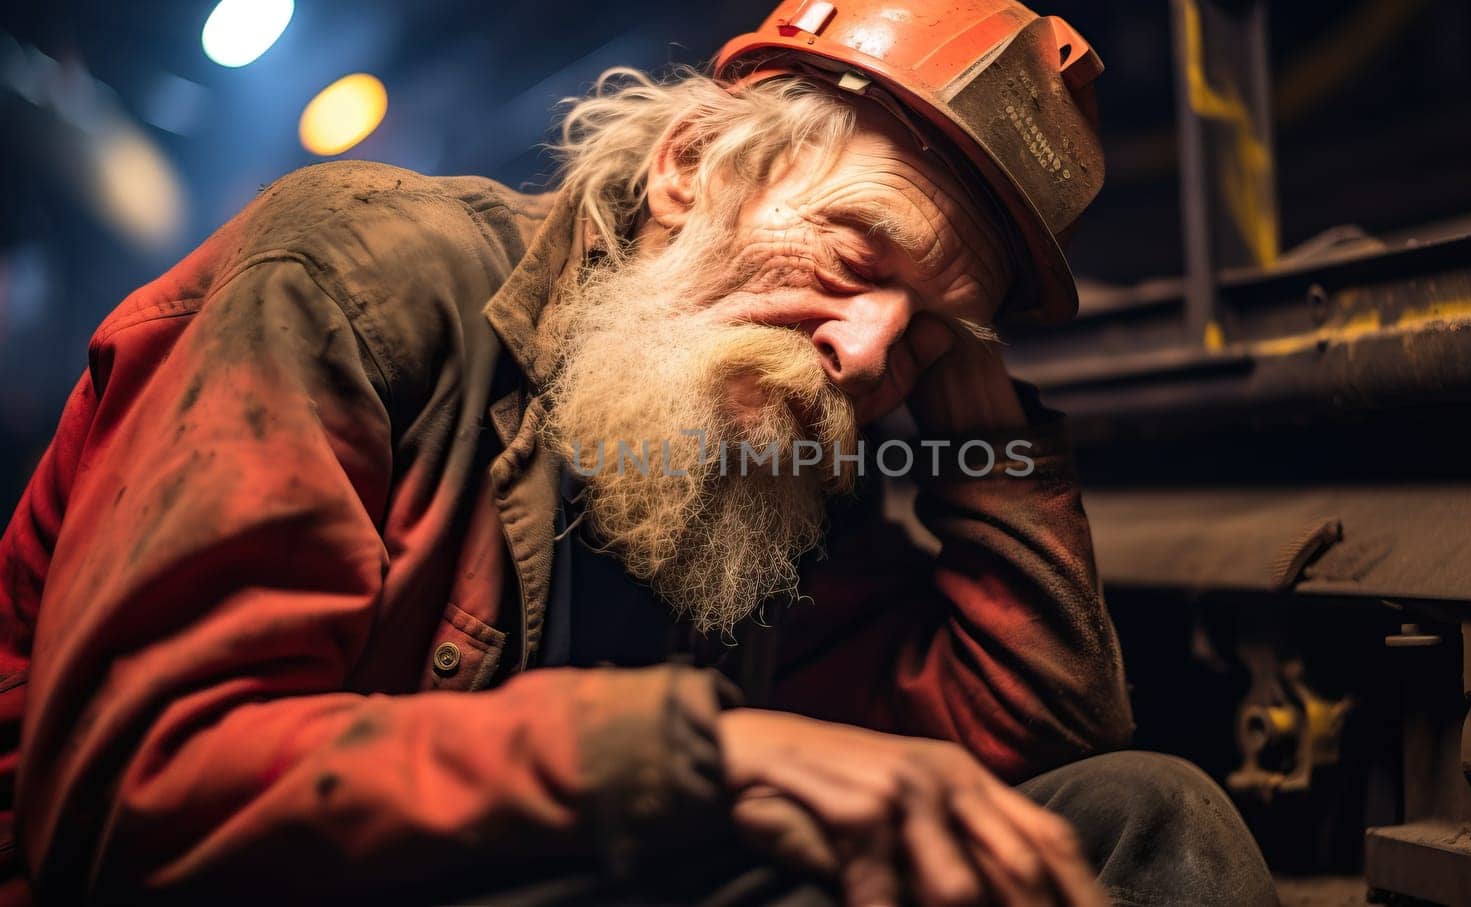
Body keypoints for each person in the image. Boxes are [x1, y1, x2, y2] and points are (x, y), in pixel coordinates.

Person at [0, 1, 1277, 903]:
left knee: (1137, 813)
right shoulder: (348, 278)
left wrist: (986, 430)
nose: (868, 356)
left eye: (929, 335)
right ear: (690, 168)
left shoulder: (763, 446)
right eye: (853, 257)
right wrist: (696, 753)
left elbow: (1035, 736)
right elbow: (127, 797)